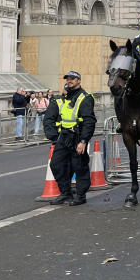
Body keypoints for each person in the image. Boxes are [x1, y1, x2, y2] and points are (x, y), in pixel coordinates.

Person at [43, 71, 96, 206]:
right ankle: (66, 193)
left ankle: (80, 195)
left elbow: (89, 121)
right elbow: (51, 117)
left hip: (77, 137)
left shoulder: (85, 98)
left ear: (79, 80)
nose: (69, 81)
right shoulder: (63, 98)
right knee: (56, 164)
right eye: (67, 79)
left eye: (72, 78)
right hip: (64, 136)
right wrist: (55, 136)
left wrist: (84, 141)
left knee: (79, 166)